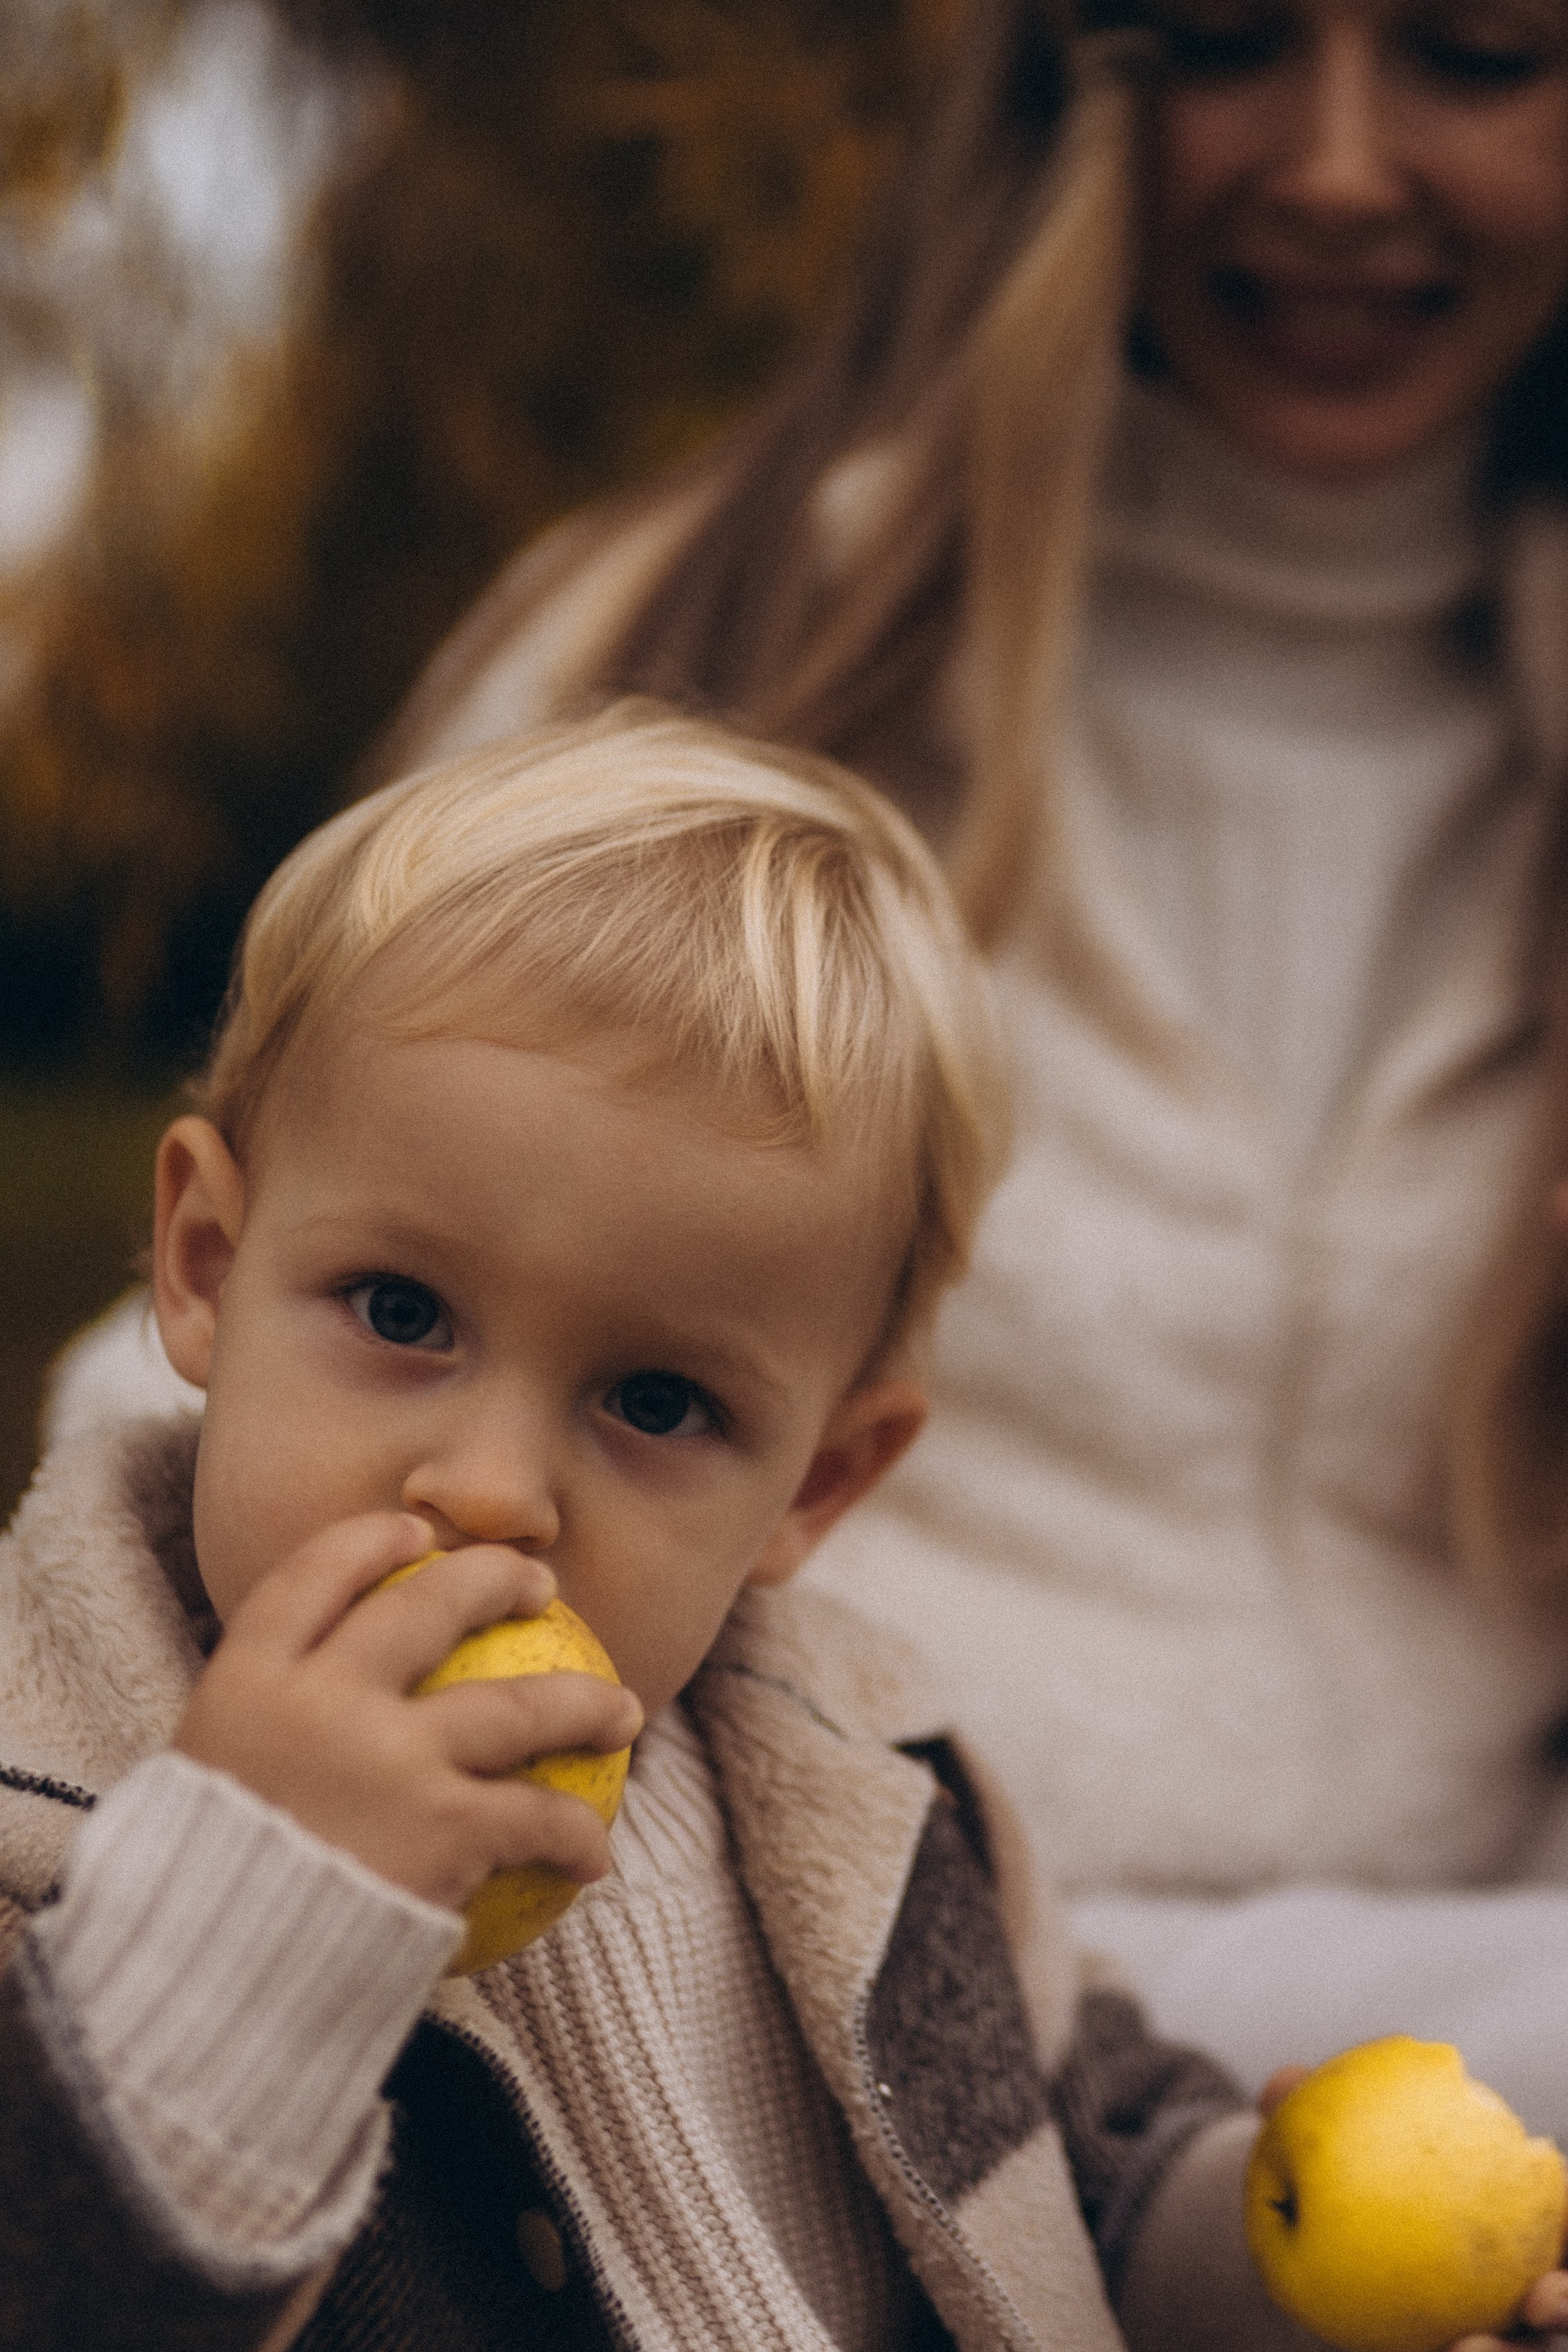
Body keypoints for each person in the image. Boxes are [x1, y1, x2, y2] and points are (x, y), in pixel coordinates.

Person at [44, 0, 1568, 2131]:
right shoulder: (718, 644)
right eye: (1224, 42)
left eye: (1478, 55)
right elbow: (276, 1302)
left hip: (1461, 2000)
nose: (1333, 164)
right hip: (799, 1965)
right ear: (1070, 90)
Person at [8, 700, 1382, 2352]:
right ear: (208, 1264)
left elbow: (1074, 2160)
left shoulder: (867, 1786)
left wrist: (1291, 2259)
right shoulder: (45, 1802)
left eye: (656, 1402)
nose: (495, 1488)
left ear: (817, 1480)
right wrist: (243, 1923)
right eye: (401, 1307)